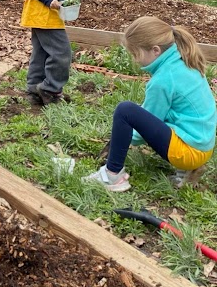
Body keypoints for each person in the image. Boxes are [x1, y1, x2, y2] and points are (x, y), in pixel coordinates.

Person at [86, 16, 216, 192]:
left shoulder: (163, 80)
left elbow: (145, 126)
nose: (135, 60)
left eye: (136, 54)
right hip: (203, 146)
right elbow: (153, 117)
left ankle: (113, 176)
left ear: (155, 50)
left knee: (125, 110)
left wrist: (119, 140)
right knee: (136, 112)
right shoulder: (182, 59)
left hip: (189, 152)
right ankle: (186, 170)